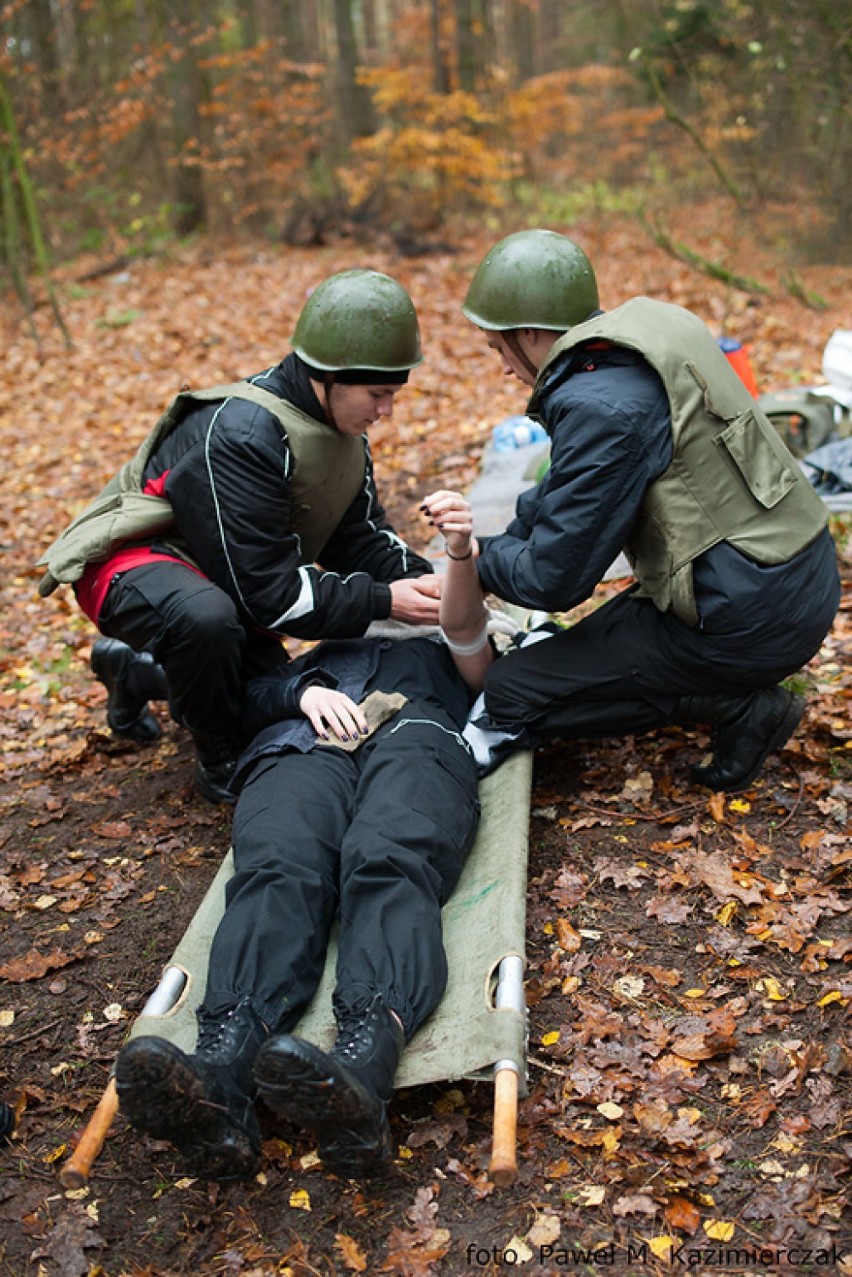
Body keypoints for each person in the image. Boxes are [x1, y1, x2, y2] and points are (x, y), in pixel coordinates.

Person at [113, 497, 493, 1181]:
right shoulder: (322, 643)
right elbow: (245, 697)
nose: (412, 590)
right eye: (404, 583)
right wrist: (297, 697)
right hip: (305, 740)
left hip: (417, 735)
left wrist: (459, 559)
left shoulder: (457, 631)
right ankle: (222, 1074)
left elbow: (475, 653)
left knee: (387, 855)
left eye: (423, 583)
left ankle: (363, 1064)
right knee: (279, 863)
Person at [37, 270, 441, 802]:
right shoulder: (245, 432)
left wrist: (433, 583)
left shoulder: (342, 434)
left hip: (224, 571)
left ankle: (134, 671)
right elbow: (271, 597)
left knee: (267, 690)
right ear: (328, 375)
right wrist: (385, 600)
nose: (386, 411)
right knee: (207, 624)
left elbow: (360, 538)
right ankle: (218, 752)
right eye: (378, 394)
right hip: (135, 565)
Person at [459, 228, 841, 791]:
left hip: (745, 618)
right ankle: (721, 686)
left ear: (531, 333)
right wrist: (507, 541)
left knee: (513, 691)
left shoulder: (601, 405)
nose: (502, 367)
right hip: (790, 569)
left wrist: (471, 561)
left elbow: (552, 581)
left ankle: (736, 706)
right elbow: (570, 489)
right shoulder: (647, 337)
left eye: (498, 347)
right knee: (561, 655)